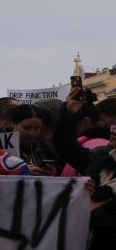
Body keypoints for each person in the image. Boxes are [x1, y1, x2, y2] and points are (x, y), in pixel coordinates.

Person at [53, 87, 116, 249]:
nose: (113, 131)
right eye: (113, 127)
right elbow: (65, 147)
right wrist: (70, 115)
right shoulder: (100, 157)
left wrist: (97, 206)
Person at [10, 103, 60, 176]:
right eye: (26, 128)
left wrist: (54, 173)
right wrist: (20, 170)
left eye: (37, 128)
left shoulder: (48, 149)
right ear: (13, 124)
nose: (32, 133)